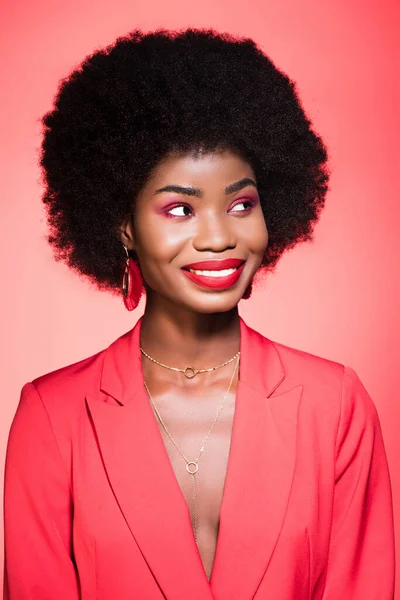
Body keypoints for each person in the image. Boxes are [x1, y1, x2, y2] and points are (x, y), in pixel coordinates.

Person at [3, 27, 395, 600]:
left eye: (241, 204)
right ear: (124, 226)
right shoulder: (54, 418)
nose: (218, 237)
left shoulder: (334, 407)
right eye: (180, 208)